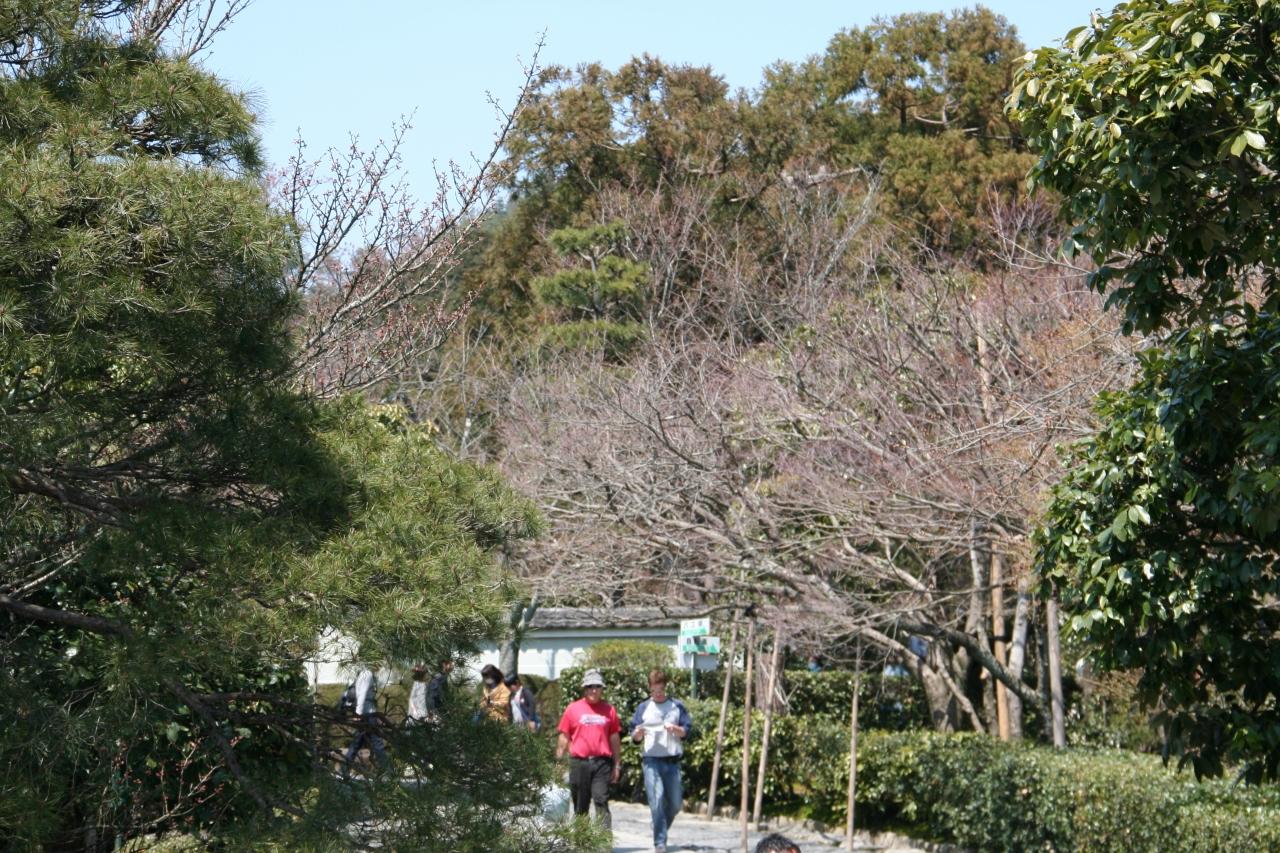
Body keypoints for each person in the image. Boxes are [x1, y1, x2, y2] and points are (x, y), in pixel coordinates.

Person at [630, 669, 693, 853]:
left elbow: (687, 730)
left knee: (675, 804)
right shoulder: (644, 707)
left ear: (665, 687)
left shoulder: (676, 706)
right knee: (656, 801)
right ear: (649, 688)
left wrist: (677, 730)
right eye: (654, 690)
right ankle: (660, 842)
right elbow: (634, 735)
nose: (658, 694)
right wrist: (638, 734)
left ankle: (658, 824)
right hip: (651, 761)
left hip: (672, 760)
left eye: (661, 690)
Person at [555, 668, 622, 830]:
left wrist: (617, 765)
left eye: (597, 686)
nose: (594, 690)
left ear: (602, 689)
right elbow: (564, 736)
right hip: (579, 763)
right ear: (584, 688)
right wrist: (559, 761)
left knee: (601, 800)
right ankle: (581, 840)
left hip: (602, 763)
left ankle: (604, 840)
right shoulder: (573, 709)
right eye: (590, 686)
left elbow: (614, 738)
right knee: (580, 805)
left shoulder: (609, 710)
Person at [341, 667, 388, 778]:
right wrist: (358, 713)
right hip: (367, 714)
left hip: (365, 713)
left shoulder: (364, 673)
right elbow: (362, 694)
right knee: (377, 744)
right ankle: (389, 773)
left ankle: (344, 771)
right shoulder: (367, 674)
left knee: (356, 744)